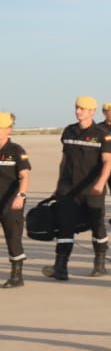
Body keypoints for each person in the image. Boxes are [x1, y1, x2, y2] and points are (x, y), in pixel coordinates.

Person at [43, 96, 111, 280]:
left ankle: (100, 263)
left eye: (83, 109)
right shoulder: (69, 131)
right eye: (77, 108)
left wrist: (100, 183)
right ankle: (61, 266)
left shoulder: (102, 134)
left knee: (97, 225)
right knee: (65, 227)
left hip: (92, 189)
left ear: (92, 111)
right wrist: (58, 188)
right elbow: (64, 160)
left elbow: (108, 162)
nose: (78, 111)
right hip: (68, 189)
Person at [0, 111, 29, 288]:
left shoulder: (16, 151)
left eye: (1, 129)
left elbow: (24, 176)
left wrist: (21, 195)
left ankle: (17, 276)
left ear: (9, 130)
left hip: (11, 201)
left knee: (13, 236)